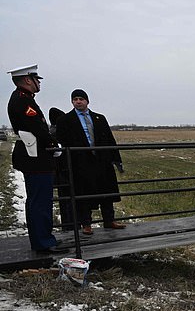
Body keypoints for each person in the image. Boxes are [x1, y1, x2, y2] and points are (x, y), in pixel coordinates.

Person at [6, 64, 67, 254]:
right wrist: (51, 144)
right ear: (27, 80)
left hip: (35, 156)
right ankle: (43, 242)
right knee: (40, 201)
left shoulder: (25, 99)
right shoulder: (22, 101)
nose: (38, 82)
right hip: (36, 157)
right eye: (36, 79)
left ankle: (43, 239)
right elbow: (37, 128)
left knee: (38, 200)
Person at [55, 89, 126, 235]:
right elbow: (62, 140)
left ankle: (109, 220)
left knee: (106, 191)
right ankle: (86, 224)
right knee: (83, 194)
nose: (78, 101)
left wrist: (116, 159)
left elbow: (110, 139)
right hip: (81, 163)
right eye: (75, 99)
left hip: (102, 161)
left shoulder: (100, 118)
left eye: (81, 98)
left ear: (87, 101)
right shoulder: (65, 120)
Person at [49, 107, 73, 230]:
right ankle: (70, 226)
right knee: (68, 199)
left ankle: (68, 225)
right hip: (62, 170)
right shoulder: (57, 132)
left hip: (58, 170)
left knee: (65, 199)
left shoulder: (51, 130)